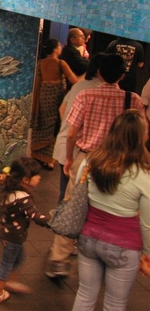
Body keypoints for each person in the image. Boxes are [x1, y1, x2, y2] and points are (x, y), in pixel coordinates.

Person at [46, 54, 146, 278]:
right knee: (111, 208)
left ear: (99, 72)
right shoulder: (133, 100)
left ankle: (59, 259)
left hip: (87, 160)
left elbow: (72, 132)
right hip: (121, 163)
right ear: (122, 75)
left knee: (73, 205)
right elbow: (143, 133)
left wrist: (71, 159)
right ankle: (107, 253)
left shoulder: (86, 95)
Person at [71, 109, 150, 311]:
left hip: (88, 238)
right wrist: (147, 253)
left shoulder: (91, 162)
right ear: (140, 137)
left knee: (85, 294)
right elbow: (147, 223)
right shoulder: (143, 175)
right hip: (124, 246)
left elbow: (78, 194)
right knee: (115, 304)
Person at [0, 157, 50, 304]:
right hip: (13, 236)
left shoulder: (9, 189)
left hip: (6, 232)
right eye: (36, 175)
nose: (39, 178)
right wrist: (52, 220)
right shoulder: (23, 199)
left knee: (18, 258)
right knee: (7, 262)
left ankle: (10, 283)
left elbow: (3, 177)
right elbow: (36, 217)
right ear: (25, 180)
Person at [52, 53, 105, 202]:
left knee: (64, 191)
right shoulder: (100, 90)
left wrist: (69, 126)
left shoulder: (79, 86)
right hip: (80, 148)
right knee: (81, 194)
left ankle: (59, 219)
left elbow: (62, 109)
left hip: (65, 142)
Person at [31, 38, 79, 170]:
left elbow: (37, 82)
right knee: (54, 127)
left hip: (42, 97)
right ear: (55, 49)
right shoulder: (60, 63)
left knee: (43, 125)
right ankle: (49, 160)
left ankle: (37, 154)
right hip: (56, 98)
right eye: (59, 46)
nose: (61, 48)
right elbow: (73, 80)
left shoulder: (40, 64)